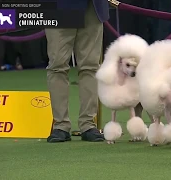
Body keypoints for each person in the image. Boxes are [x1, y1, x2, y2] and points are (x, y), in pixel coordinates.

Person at [45, 0, 109, 143]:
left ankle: (88, 124)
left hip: (93, 6)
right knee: (57, 66)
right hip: (58, 7)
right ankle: (60, 125)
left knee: (90, 66)